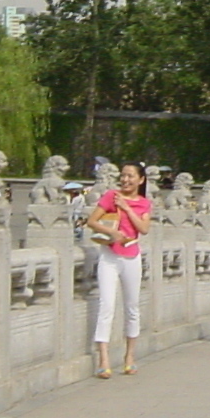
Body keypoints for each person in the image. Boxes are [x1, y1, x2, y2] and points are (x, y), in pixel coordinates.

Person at [86, 161, 153, 379]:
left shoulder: (144, 203)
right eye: (123, 175)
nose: (125, 179)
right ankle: (103, 359)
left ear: (141, 179)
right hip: (109, 255)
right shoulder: (110, 196)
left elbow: (143, 229)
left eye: (130, 176)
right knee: (107, 304)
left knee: (132, 307)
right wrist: (111, 232)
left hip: (131, 255)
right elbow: (92, 221)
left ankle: (129, 356)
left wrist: (126, 208)